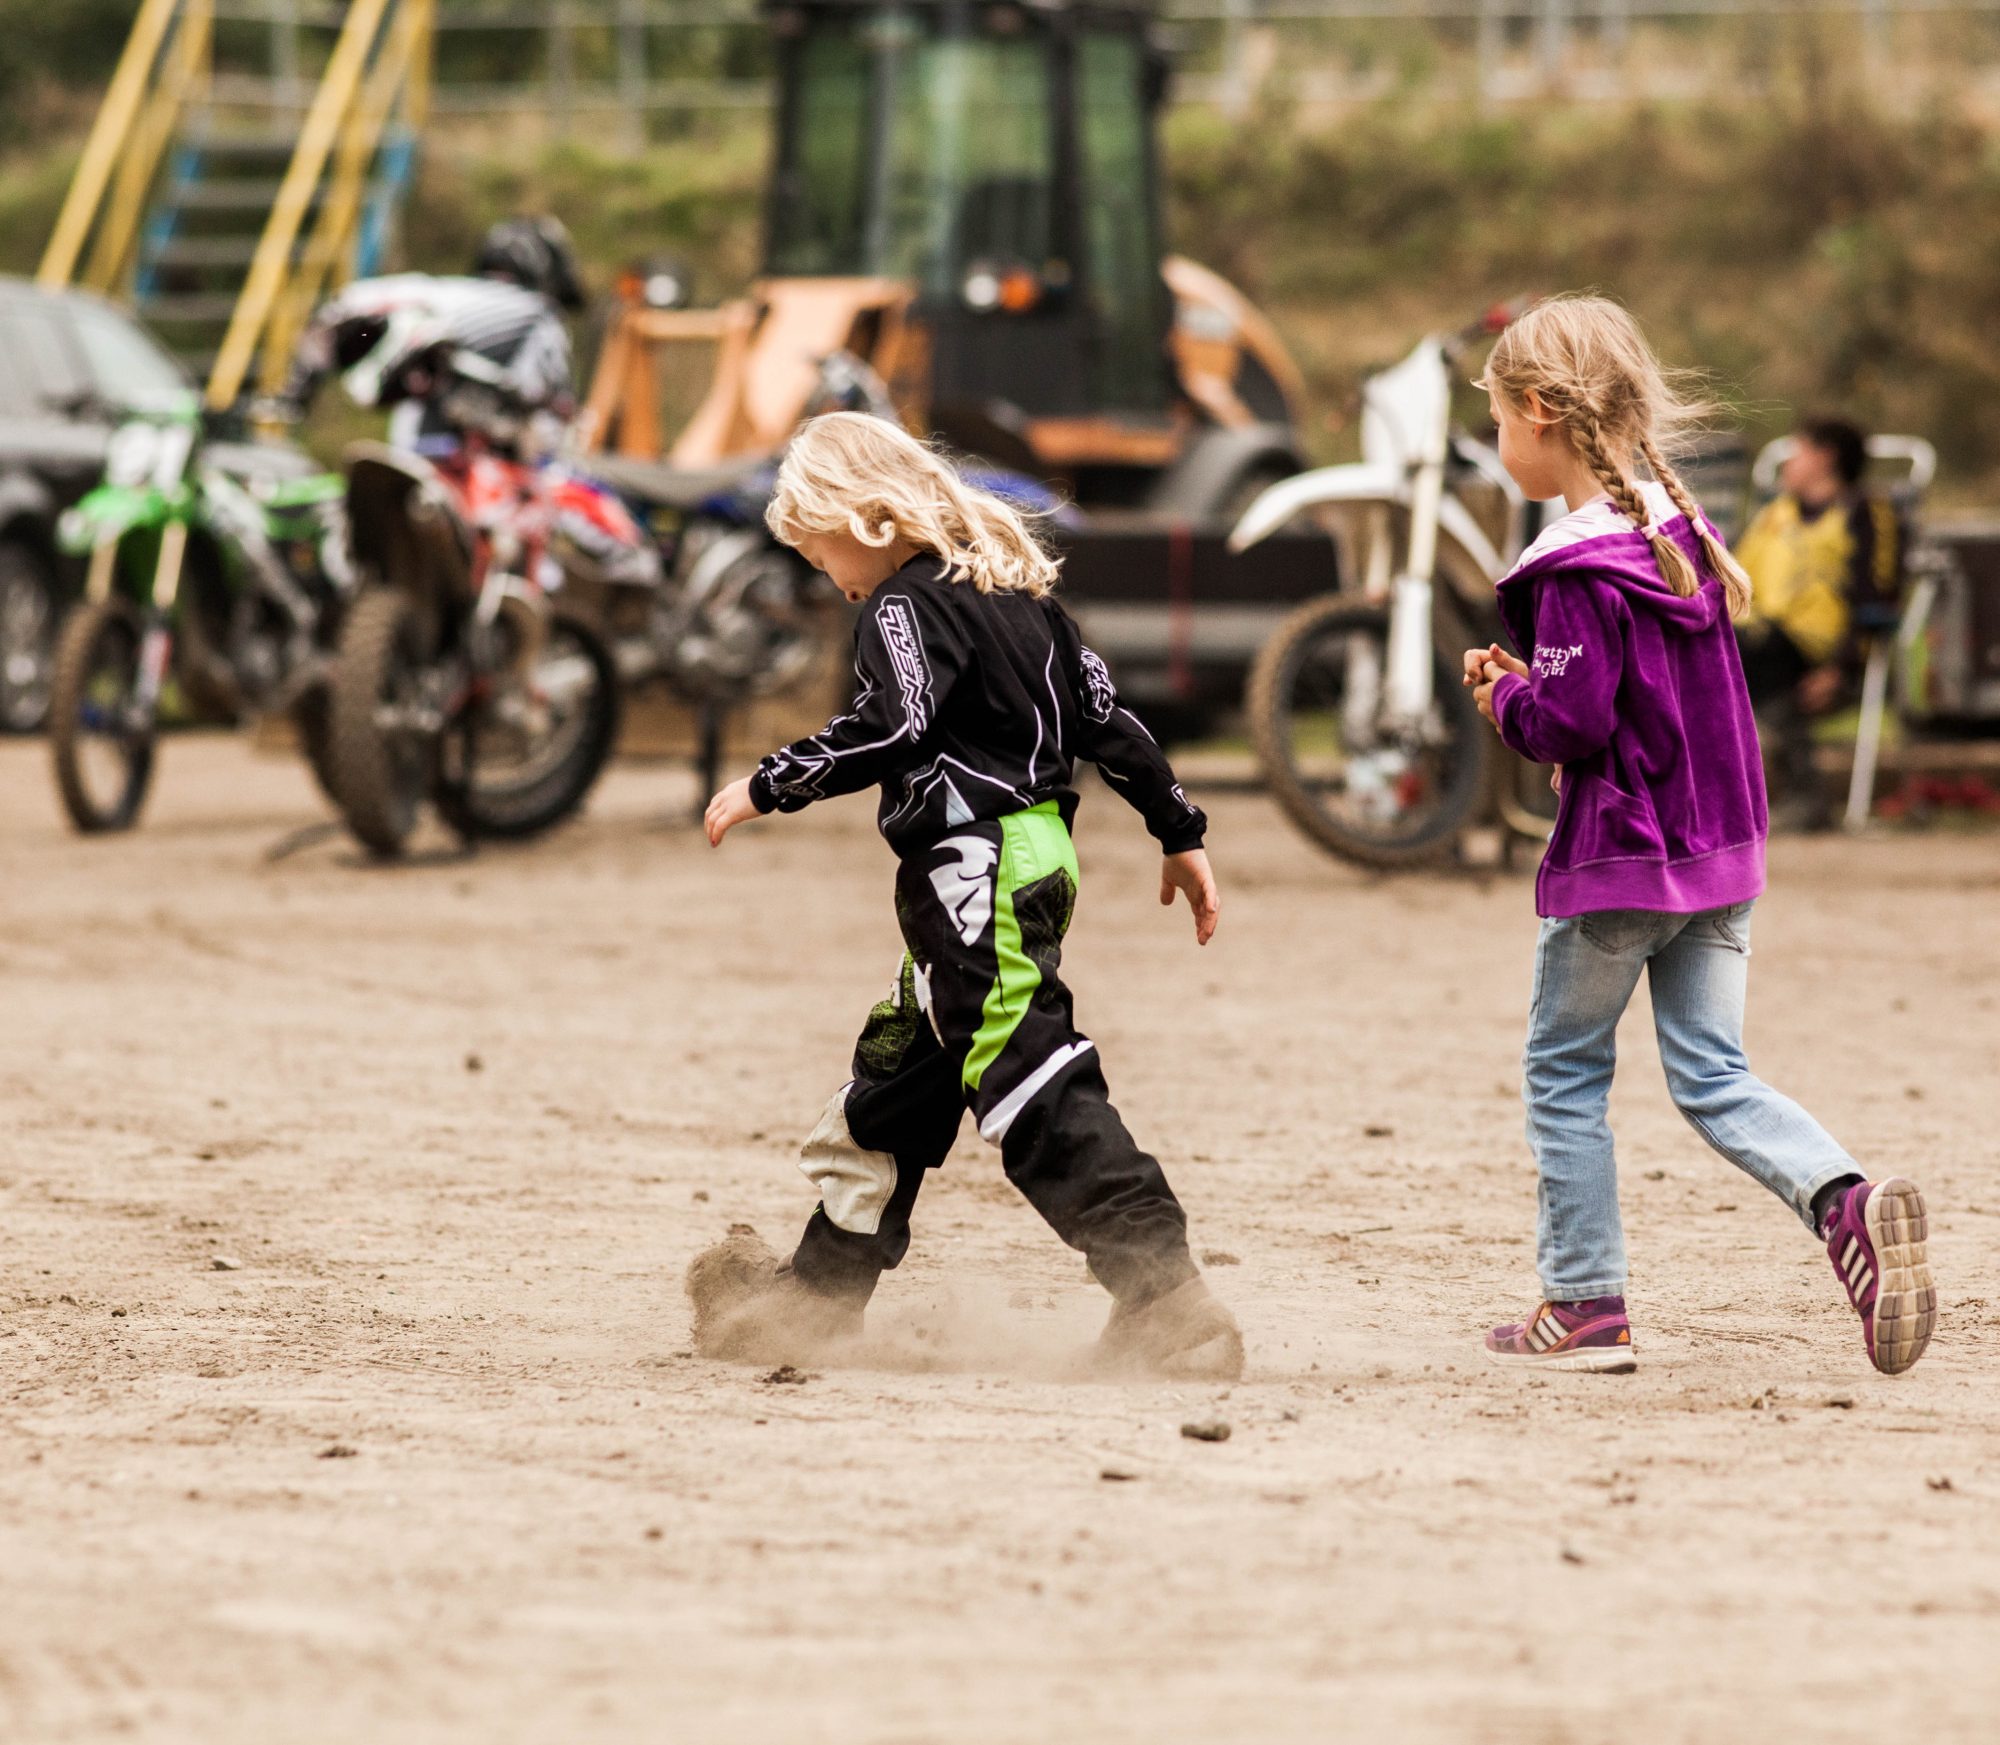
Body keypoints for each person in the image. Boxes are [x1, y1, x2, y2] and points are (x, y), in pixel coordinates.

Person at [687, 412, 1243, 1380]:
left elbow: (894, 720)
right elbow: (1109, 721)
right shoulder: (1020, 596)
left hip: (973, 860)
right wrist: (1178, 829)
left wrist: (773, 780)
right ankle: (817, 1295)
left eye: (819, 557)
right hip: (1024, 858)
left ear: (861, 518)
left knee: (1025, 1071)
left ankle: (1164, 1296)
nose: (832, 582)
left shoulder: (900, 606)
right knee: (902, 1069)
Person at [1461, 295, 1934, 1377]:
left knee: (1563, 1071)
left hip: (1623, 861)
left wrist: (1504, 697)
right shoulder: (1678, 535)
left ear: (1538, 411)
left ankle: (1582, 1304)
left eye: (1495, 420)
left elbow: (1571, 722)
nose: (1496, 441)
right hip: (1722, 857)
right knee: (1714, 1071)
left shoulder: (1578, 567)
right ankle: (1843, 1199)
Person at [275, 216, 584, 452]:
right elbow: (551, 412)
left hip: (409, 458)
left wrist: (300, 386)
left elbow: (341, 306)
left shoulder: (437, 289)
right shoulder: (538, 315)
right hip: (484, 480)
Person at [1734, 415, 1905, 827]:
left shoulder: (1864, 512)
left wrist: (1839, 668)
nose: (1788, 462)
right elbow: (1731, 574)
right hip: (1759, 637)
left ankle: (1798, 795)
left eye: (1798, 451)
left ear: (1825, 457)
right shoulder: (1775, 513)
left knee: (1745, 658)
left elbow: (1877, 595)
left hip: (1819, 650)